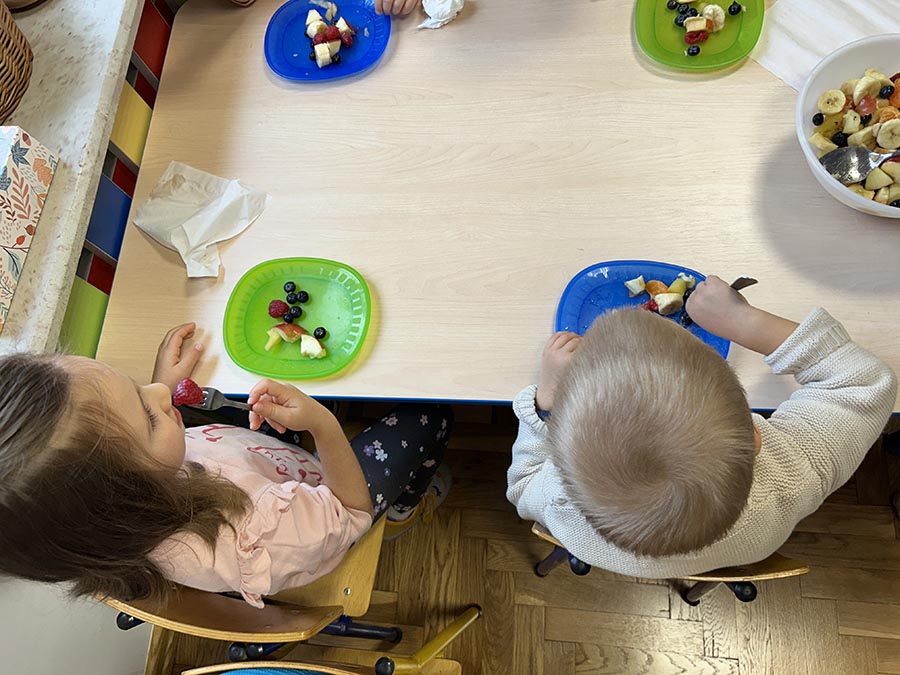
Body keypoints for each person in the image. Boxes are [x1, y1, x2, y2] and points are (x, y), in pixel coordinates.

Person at [0, 324, 452, 607]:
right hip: (330, 507)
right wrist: (324, 426)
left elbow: (136, 443)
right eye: (148, 415)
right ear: (128, 500)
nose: (159, 394)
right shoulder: (258, 531)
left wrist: (159, 388)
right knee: (432, 415)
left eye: (139, 387)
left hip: (259, 464)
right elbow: (350, 512)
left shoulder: (115, 519)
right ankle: (401, 509)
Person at [507, 276, 897, 577]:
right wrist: (746, 322)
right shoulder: (793, 475)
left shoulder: (561, 501)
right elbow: (864, 382)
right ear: (753, 438)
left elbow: (522, 486)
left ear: (564, 460)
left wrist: (547, 401)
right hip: (749, 547)